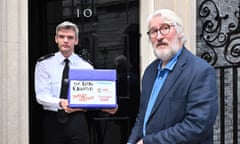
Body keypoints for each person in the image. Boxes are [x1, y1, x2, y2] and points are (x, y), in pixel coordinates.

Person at [127, 9, 218, 144]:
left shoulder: (200, 71)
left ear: (179, 32)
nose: (159, 36)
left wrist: (148, 142)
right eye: (153, 31)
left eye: (165, 28)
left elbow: (197, 126)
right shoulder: (149, 72)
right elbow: (143, 117)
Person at [34, 21, 117, 144]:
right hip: (52, 121)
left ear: (76, 40)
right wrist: (61, 103)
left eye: (70, 37)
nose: (66, 40)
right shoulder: (44, 64)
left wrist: (108, 102)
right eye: (62, 37)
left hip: (77, 121)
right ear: (56, 39)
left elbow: (92, 95)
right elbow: (41, 96)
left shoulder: (86, 66)